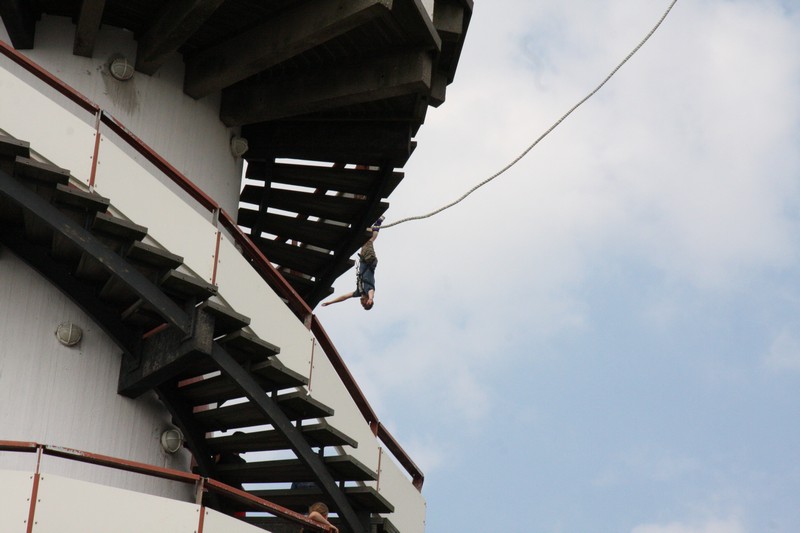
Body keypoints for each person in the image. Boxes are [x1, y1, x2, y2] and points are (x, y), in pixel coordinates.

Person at [321, 216, 383, 310]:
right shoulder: (368, 290)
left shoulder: (359, 292)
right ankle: (374, 221)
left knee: (368, 241)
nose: (361, 303)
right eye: (364, 304)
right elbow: (372, 292)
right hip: (369, 261)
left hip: (365, 260)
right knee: (367, 240)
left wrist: (331, 302)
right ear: (367, 301)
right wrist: (371, 298)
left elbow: (344, 297)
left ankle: (377, 222)